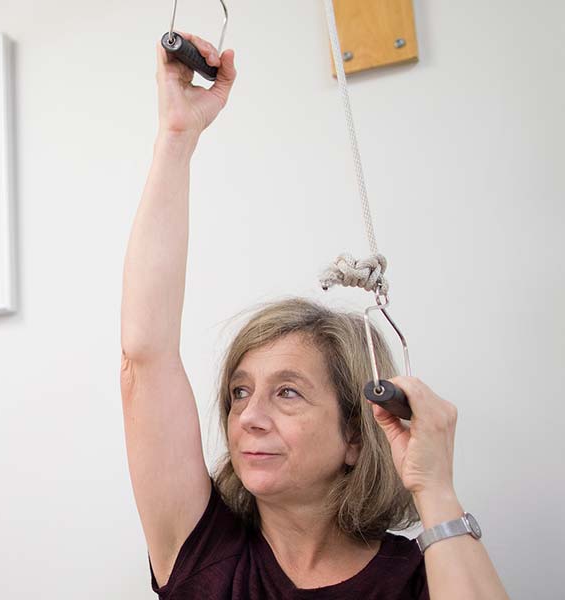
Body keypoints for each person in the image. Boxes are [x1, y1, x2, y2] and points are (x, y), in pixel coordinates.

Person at [121, 33, 510, 599]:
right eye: (238, 393)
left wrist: (435, 490)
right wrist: (176, 137)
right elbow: (145, 359)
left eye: (287, 393)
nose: (247, 418)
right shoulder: (202, 552)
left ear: (356, 433)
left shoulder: (422, 576)